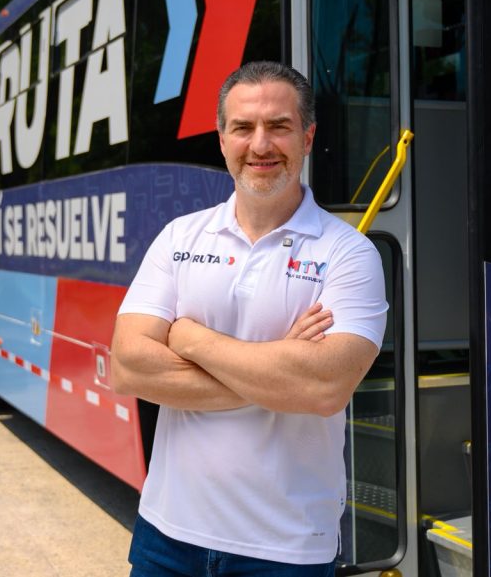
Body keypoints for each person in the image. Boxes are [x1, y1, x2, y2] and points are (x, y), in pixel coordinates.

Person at [111, 61, 388, 576]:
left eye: (279, 126)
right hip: (166, 535)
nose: (260, 144)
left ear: (307, 137)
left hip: (286, 549)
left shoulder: (348, 253)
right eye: (243, 127)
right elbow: (127, 367)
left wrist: (188, 337)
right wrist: (278, 368)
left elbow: (324, 387)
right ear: (222, 140)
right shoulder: (179, 238)